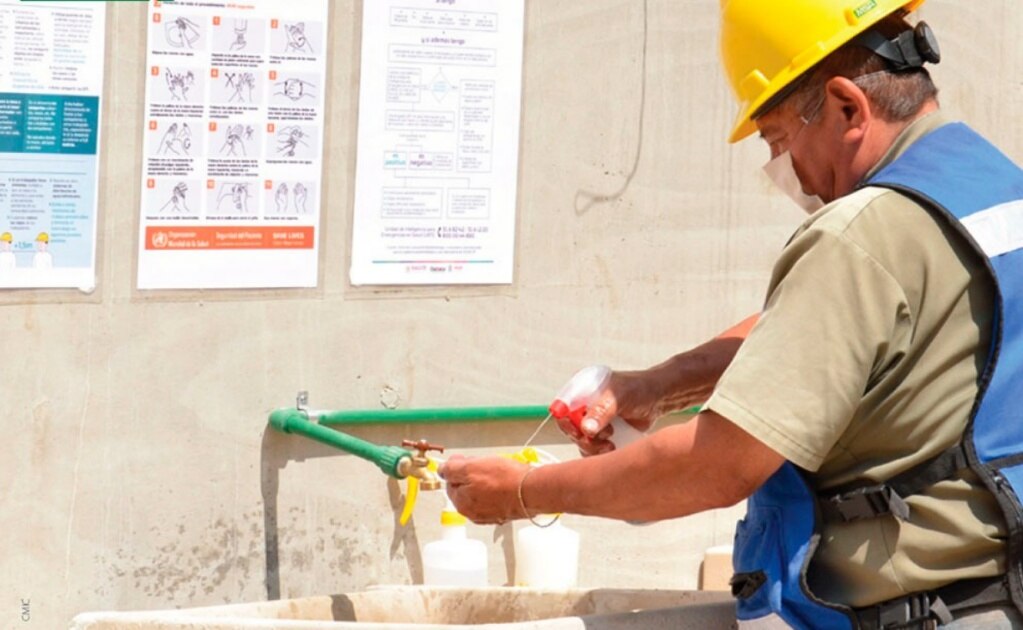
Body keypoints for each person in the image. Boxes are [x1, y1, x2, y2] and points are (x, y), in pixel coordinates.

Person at [441, 1, 1023, 628]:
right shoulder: (991, 185)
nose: (787, 169)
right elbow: (834, 326)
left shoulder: (859, 234)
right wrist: (658, 385)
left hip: (915, 611)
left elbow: (717, 466)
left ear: (848, 106)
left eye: (779, 139)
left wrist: (524, 493)